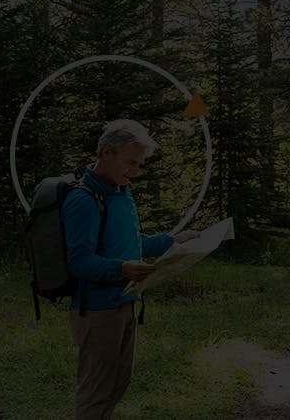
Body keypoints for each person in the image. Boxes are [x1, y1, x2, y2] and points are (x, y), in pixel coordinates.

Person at [62, 119, 200, 420]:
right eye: (131, 162)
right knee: (95, 393)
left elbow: (130, 242)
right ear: (107, 153)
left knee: (118, 383)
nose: (135, 171)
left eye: (139, 164)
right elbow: (79, 261)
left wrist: (173, 241)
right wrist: (123, 269)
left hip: (126, 302)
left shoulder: (121, 192)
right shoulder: (83, 199)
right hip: (98, 310)